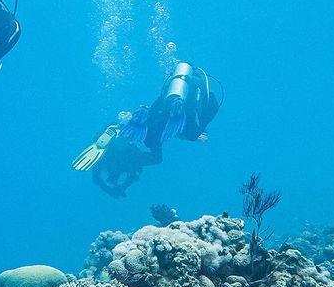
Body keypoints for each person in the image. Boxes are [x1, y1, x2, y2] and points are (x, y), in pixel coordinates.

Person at [72, 62, 222, 195]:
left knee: (186, 134)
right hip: (131, 136)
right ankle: (134, 120)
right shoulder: (117, 161)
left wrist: (115, 189)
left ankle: (157, 109)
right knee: (154, 135)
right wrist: (119, 187)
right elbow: (98, 178)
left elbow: (156, 159)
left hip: (139, 136)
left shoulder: (122, 162)